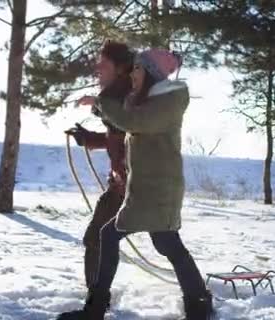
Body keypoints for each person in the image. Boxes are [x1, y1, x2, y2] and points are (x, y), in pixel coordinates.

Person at [58, 49, 213, 320]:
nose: (133, 74)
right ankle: (199, 304)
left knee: (115, 236)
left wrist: (100, 101)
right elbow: (124, 124)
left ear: (152, 73)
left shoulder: (168, 102)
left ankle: (94, 309)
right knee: (167, 245)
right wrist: (97, 109)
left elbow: (133, 122)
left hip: (158, 190)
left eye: (138, 69)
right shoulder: (149, 102)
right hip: (146, 190)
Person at [64, 40, 134, 289]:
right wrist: (89, 139)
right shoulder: (117, 96)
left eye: (104, 64)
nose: (98, 69)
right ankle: (95, 303)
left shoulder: (127, 97)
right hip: (124, 185)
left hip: (136, 187)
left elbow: (133, 135)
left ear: (120, 68)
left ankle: (95, 305)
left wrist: (98, 103)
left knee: (98, 238)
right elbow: (118, 137)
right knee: (98, 238)